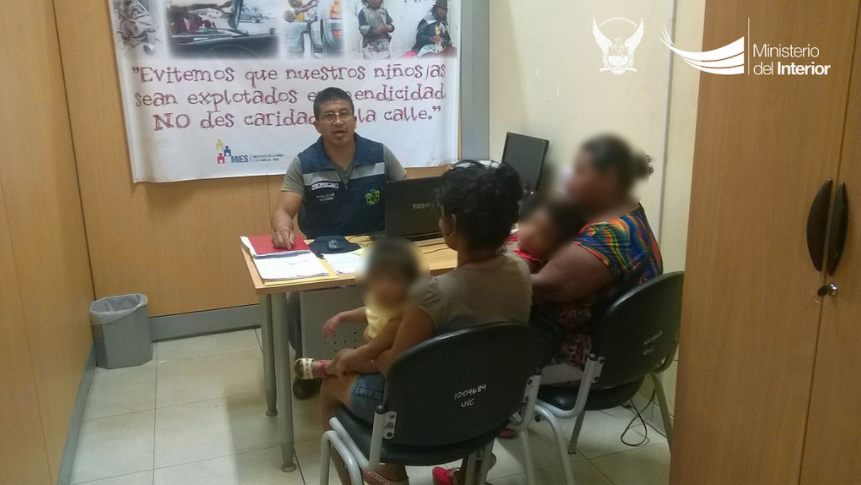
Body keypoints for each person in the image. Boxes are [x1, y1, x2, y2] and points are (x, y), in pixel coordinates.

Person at [318, 161, 531, 485]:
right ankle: (448, 474)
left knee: (330, 388)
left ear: (452, 224)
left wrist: (367, 348)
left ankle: (378, 476)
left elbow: (394, 368)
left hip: (426, 416)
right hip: (489, 405)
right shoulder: (521, 272)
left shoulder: (436, 294)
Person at [271, 87, 406, 397]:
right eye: (329, 116)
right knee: (295, 307)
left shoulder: (380, 154)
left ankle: (384, 356)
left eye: (344, 113)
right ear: (316, 124)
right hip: (324, 252)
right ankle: (308, 361)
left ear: (355, 119)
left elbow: (408, 196)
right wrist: (282, 229)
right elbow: (283, 211)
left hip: (377, 250)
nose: (338, 121)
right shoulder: (304, 163)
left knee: (409, 294)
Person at [531, 135, 663, 384]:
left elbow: (534, 289)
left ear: (610, 179)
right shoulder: (630, 215)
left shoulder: (610, 236)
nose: (569, 179)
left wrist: (503, 259)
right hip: (622, 355)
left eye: (579, 172)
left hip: (578, 360)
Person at [293, 237, 423, 380]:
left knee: (343, 356)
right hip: (371, 350)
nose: (384, 287)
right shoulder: (383, 301)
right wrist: (342, 317)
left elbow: (373, 349)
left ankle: (326, 368)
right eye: (378, 279)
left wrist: (348, 358)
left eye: (395, 279)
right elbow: (369, 312)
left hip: (381, 361)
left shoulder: (399, 316)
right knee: (344, 356)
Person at [507, 194, 584, 273]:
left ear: (555, 249)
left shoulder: (528, 262)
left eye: (544, 236)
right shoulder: (516, 235)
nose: (530, 234)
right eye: (532, 222)